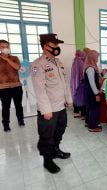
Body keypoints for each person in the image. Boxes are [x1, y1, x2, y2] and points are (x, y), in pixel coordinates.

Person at [30, 33, 72, 174]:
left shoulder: (58, 62)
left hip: (61, 106)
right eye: (54, 45)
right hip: (49, 109)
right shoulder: (38, 64)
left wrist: (68, 98)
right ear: (45, 46)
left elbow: (64, 83)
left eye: (57, 45)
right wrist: (45, 110)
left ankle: (55, 150)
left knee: (60, 130)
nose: (57, 47)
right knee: (46, 135)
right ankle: (47, 160)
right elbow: (39, 89)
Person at [0, 39, 25, 132]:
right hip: (3, 88)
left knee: (18, 105)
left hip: (16, 86)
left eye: (7, 46)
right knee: (5, 106)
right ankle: (6, 124)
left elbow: (17, 67)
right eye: (3, 47)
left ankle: (21, 120)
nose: (5, 48)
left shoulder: (14, 58)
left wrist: (6, 59)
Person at [82, 50, 102, 132]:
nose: (97, 59)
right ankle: (92, 126)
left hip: (89, 91)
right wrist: (96, 93)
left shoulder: (90, 66)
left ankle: (88, 122)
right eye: (96, 57)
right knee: (94, 108)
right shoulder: (90, 68)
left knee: (90, 107)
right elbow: (92, 82)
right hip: (92, 92)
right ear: (92, 58)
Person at [70, 50, 86, 118]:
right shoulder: (80, 62)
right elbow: (83, 74)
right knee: (82, 97)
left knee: (76, 96)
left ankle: (76, 112)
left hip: (74, 82)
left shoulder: (75, 60)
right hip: (80, 82)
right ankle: (83, 114)